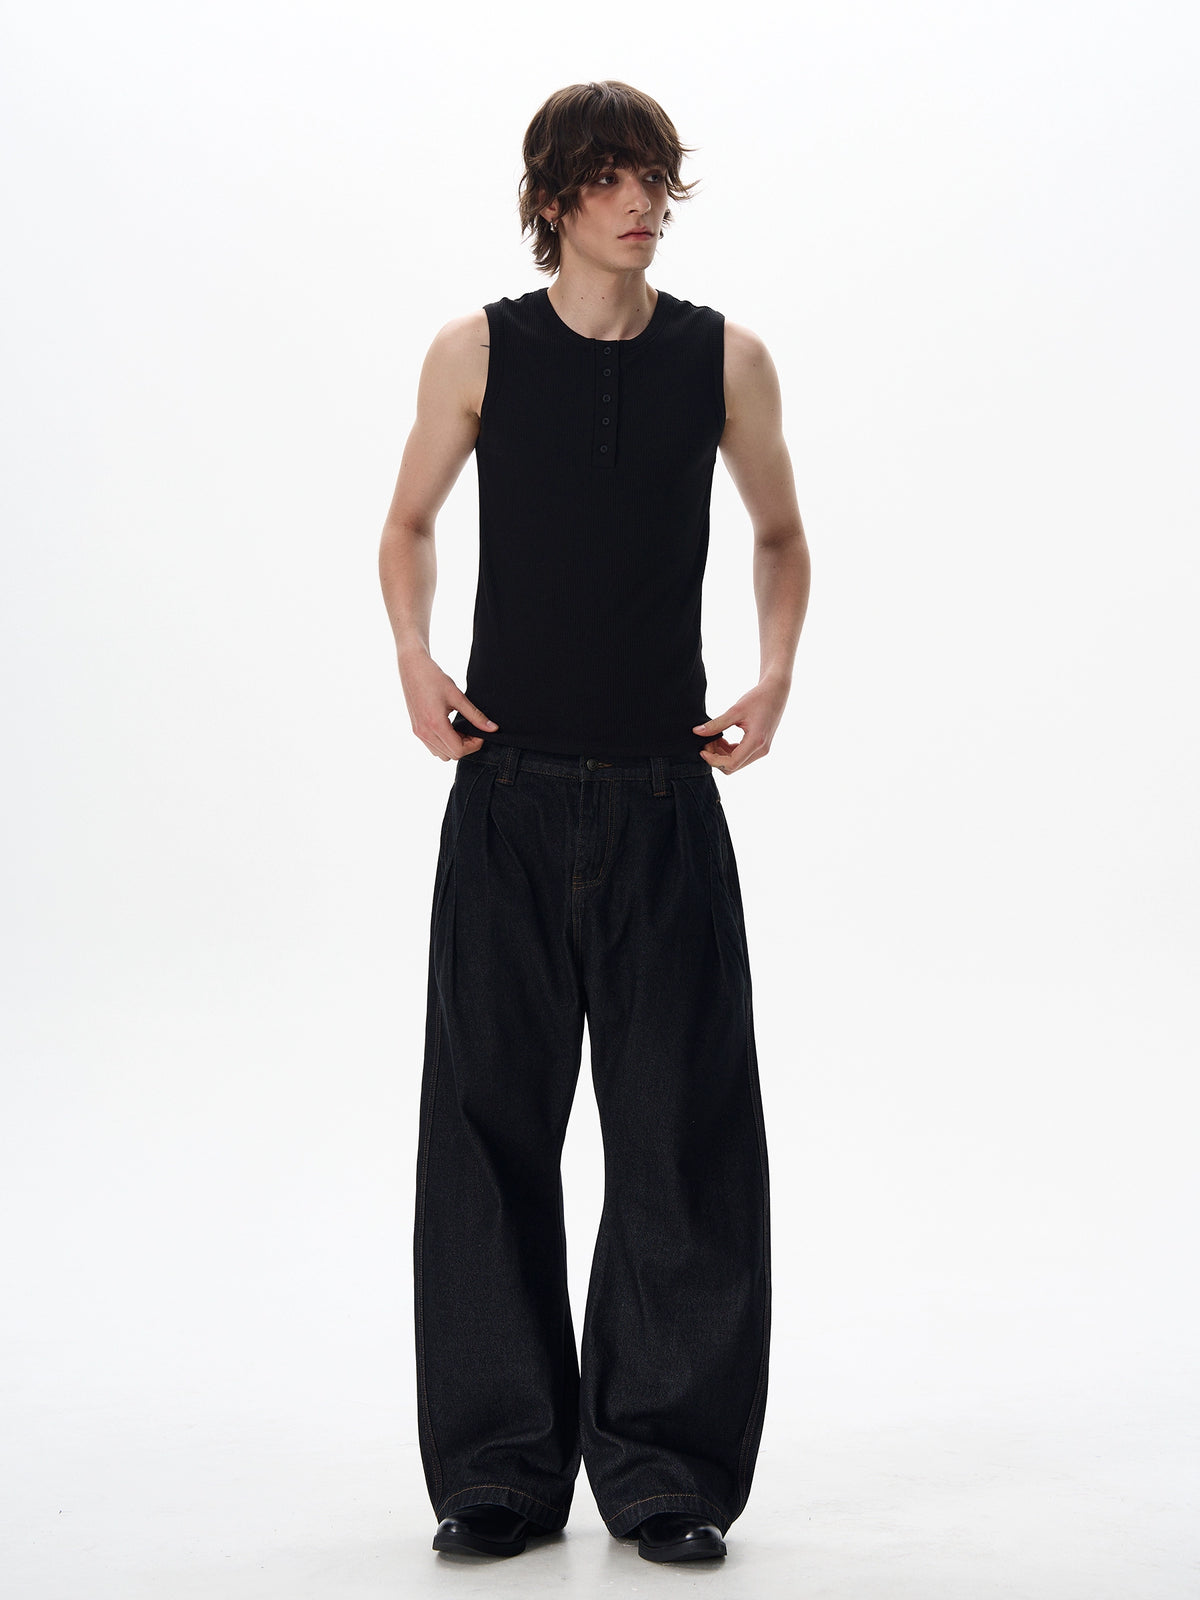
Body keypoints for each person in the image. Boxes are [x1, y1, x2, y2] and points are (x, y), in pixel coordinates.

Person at [377, 79, 810, 1566]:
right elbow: (408, 522)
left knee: (684, 1140)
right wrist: (414, 654)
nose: (641, 202)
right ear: (554, 197)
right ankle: (498, 1470)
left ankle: (667, 1473)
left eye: (655, 178)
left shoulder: (724, 359)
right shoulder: (477, 352)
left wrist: (775, 673)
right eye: (612, 177)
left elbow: (779, 532)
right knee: (485, 1135)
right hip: (506, 793)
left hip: (664, 799)